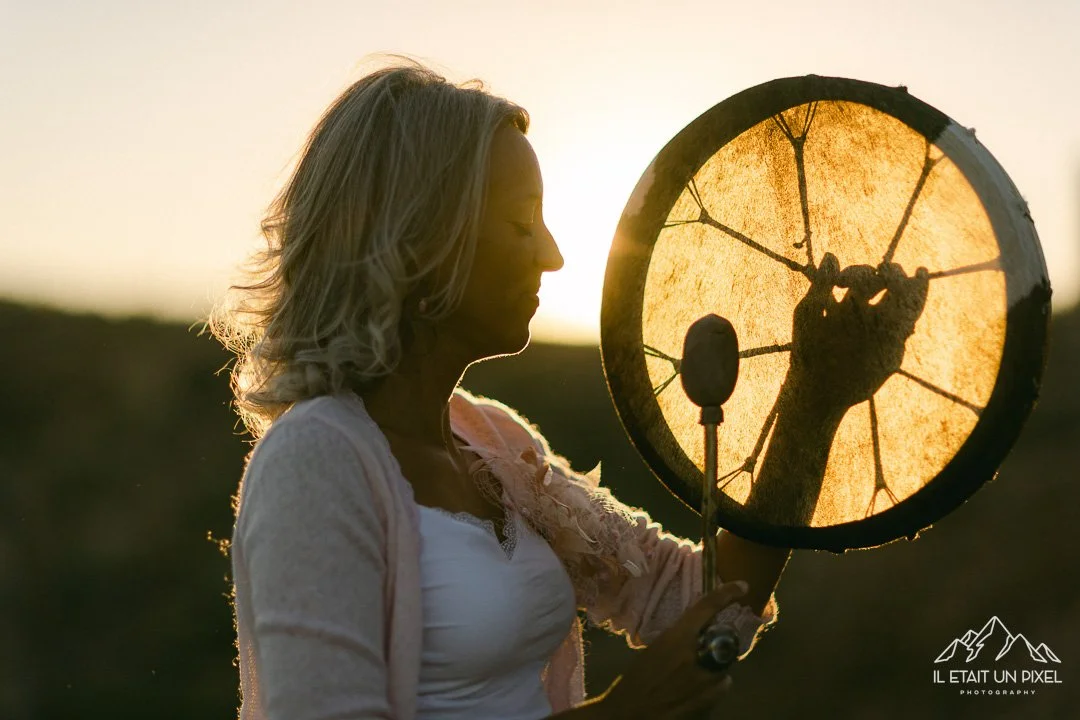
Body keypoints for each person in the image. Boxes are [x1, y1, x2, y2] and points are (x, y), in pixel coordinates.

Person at [212, 57, 791, 720]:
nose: (551, 254)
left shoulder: (494, 445)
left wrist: (810, 404)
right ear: (416, 241)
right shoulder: (313, 462)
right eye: (521, 224)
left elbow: (689, 598)